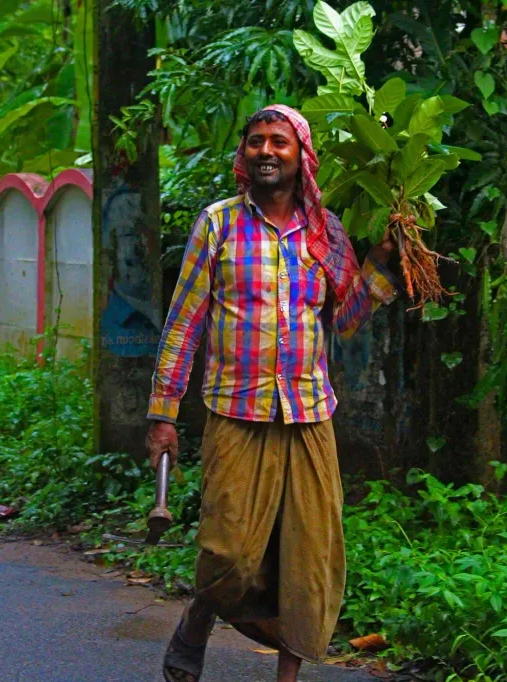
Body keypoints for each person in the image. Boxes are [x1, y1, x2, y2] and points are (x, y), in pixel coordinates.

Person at [146, 104, 400, 682]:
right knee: (227, 555)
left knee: (307, 563)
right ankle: (199, 615)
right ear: (244, 153)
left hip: (309, 416)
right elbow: (184, 324)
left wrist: (384, 265)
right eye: (256, 141)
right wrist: (162, 415)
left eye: (279, 142)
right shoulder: (218, 225)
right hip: (236, 412)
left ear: (300, 157)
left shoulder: (326, 232)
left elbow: (346, 319)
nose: (266, 150)